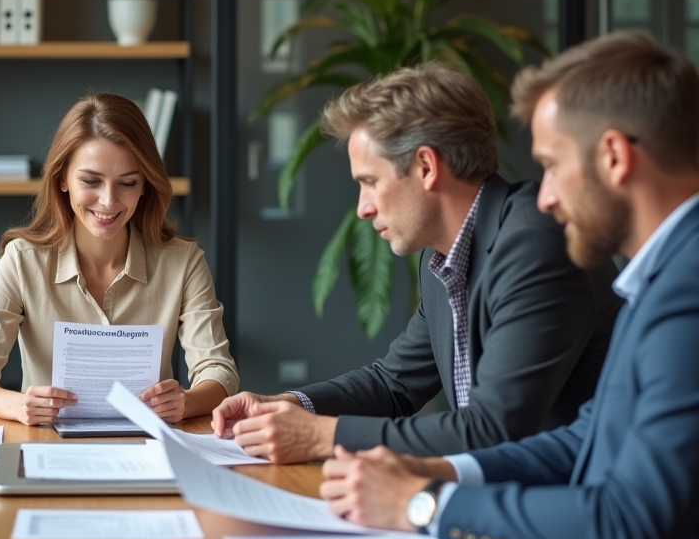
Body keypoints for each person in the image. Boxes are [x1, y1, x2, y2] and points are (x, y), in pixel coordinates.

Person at [320, 32, 699, 539]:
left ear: (613, 158)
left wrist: (423, 507)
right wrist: (439, 478)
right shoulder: (662, 271)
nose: (544, 195)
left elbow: (629, 526)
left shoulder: (686, 286)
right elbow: (583, 439)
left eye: (551, 165)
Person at [212, 65, 620, 460]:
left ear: (426, 167)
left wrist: (322, 437)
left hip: (573, 506)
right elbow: (395, 385)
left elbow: (493, 429)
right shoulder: (442, 255)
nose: (362, 209)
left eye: (370, 182)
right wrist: (289, 406)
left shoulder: (535, 244)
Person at [0, 93, 239, 425]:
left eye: (127, 183)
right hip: (48, 448)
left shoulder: (184, 262)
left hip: (148, 452)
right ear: (62, 179)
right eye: (91, 181)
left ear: (145, 184)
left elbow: (218, 369)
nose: (108, 201)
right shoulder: (21, 261)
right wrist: (18, 406)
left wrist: (186, 402)